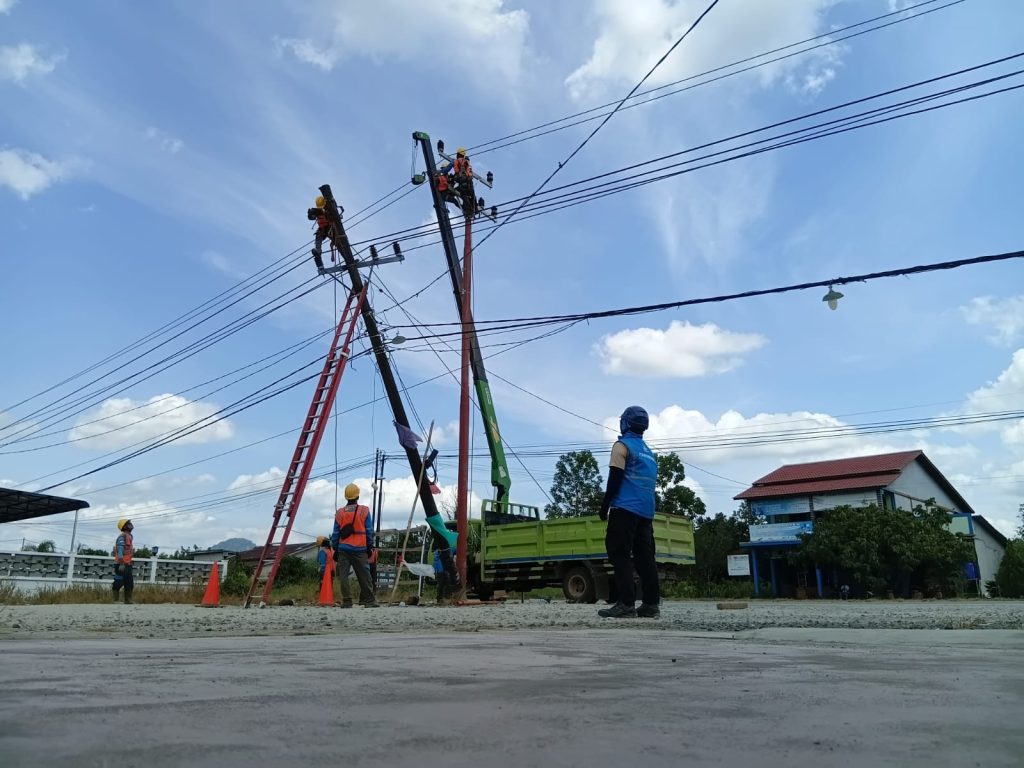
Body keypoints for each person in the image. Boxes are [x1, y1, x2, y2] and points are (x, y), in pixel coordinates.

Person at [597, 406, 660, 619]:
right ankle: (651, 604)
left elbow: (615, 478)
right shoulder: (649, 453)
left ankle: (625, 604)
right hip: (646, 512)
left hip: (624, 509)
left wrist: (605, 506)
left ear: (625, 423)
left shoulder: (621, 446)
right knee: (645, 557)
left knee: (619, 554)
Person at [331, 483, 379, 608]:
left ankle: (347, 601)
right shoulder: (364, 511)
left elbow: (335, 533)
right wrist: (370, 546)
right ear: (357, 496)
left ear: (346, 497)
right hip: (360, 549)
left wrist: (335, 548)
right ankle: (369, 601)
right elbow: (369, 530)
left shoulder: (340, 513)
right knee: (365, 576)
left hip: (343, 549)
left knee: (343, 576)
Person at [307, 195, 343, 270]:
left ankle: (348, 259)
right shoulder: (318, 210)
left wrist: (337, 217)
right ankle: (318, 252)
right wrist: (311, 215)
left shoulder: (331, 209)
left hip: (331, 228)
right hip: (323, 229)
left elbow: (336, 216)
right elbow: (311, 216)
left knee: (339, 244)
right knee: (318, 236)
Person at [112, 519, 135, 604]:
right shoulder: (122, 537)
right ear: (124, 527)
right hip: (121, 564)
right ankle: (115, 600)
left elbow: (127, 551)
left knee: (129, 583)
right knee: (118, 582)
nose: (131, 524)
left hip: (127, 564)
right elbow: (120, 550)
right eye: (128, 523)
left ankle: (128, 600)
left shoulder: (129, 536)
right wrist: (121, 562)